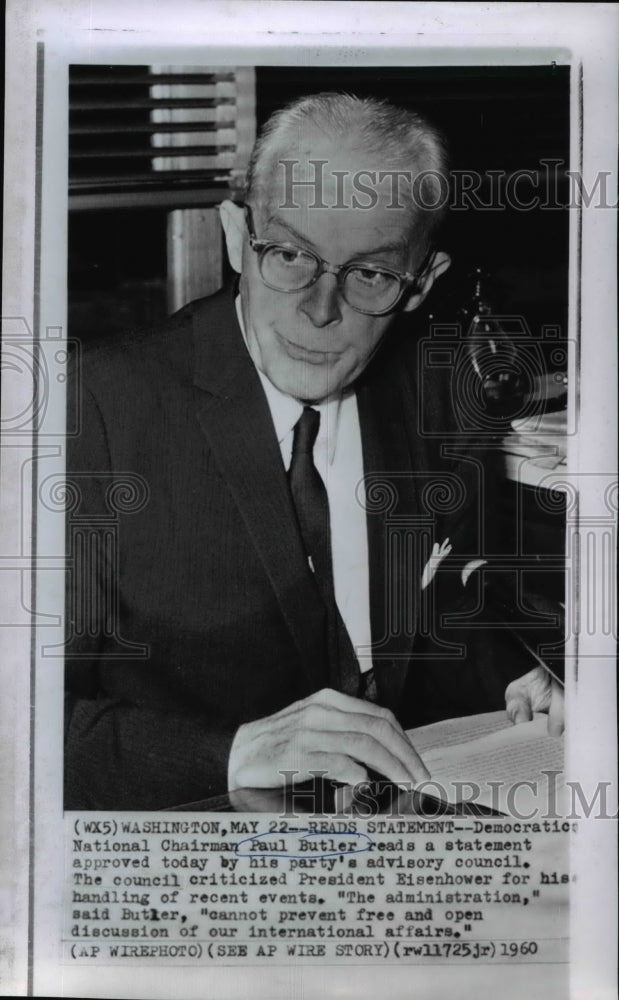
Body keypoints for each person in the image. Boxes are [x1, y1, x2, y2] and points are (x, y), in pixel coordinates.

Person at [64, 92, 562, 810]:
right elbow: (21, 720)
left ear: (421, 282)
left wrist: (525, 680)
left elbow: (427, 649)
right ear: (237, 237)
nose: (320, 309)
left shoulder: (440, 402)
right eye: (290, 255)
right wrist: (233, 751)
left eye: (369, 274)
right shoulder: (97, 409)